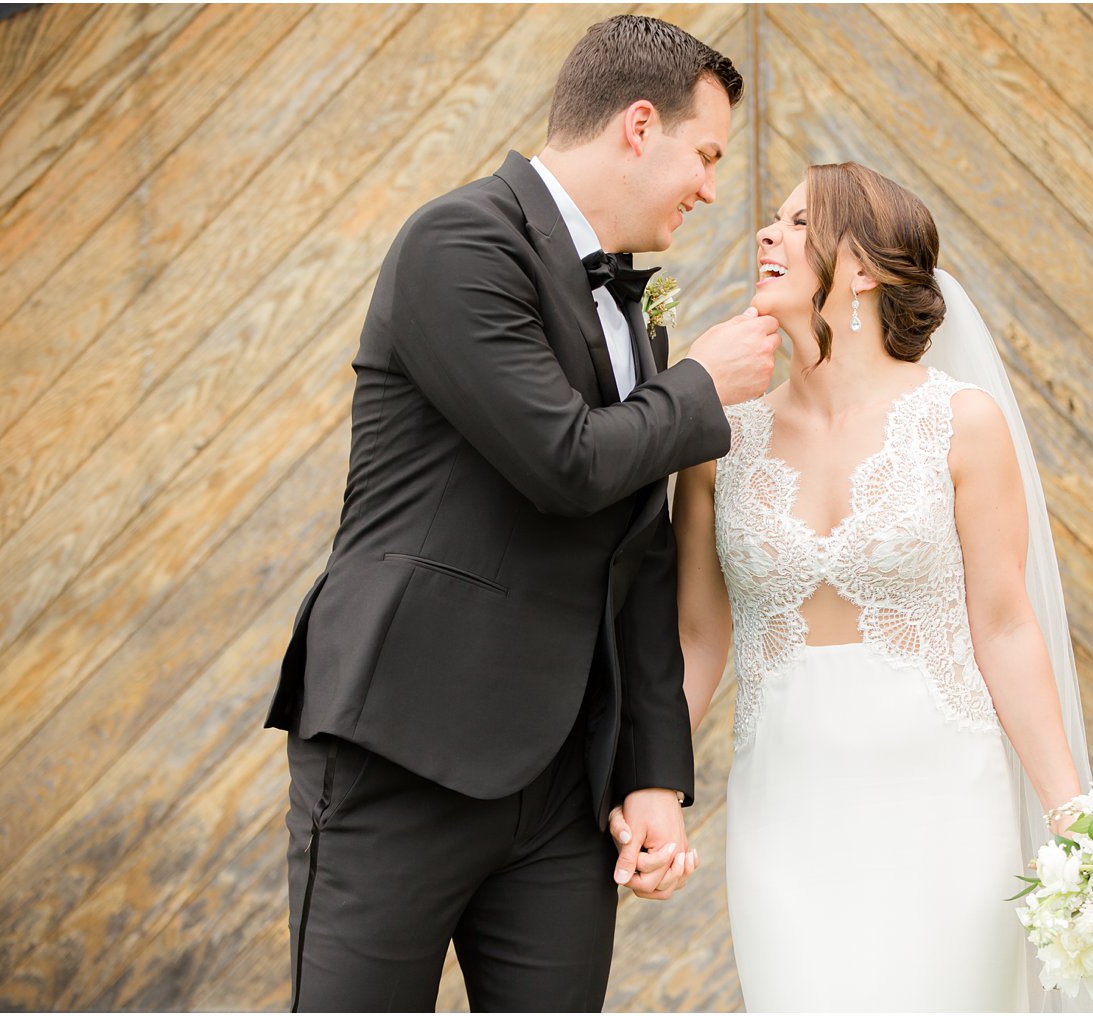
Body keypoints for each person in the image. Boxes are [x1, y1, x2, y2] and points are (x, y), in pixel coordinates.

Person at [261, 15, 780, 1012]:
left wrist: (649, 771)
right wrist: (703, 385)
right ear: (639, 125)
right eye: (704, 153)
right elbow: (566, 464)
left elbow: (635, 549)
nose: (710, 187)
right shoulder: (458, 240)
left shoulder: (637, 305)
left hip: (559, 785)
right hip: (402, 746)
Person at [614, 163, 1093, 1010]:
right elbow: (697, 636)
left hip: (946, 804)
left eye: (799, 224)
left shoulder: (960, 423)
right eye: (773, 219)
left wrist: (1074, 816)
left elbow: (1008, 626)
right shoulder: (720, 439)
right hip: (788, 813)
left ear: (864, 268)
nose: (767, 234)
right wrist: (650, 780)